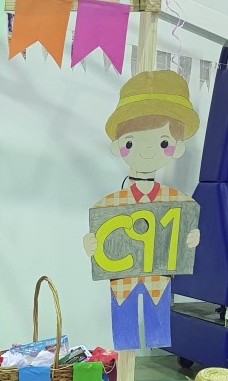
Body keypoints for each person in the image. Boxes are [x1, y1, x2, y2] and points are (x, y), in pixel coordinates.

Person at [83, 70, 200, 350]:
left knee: (158, 333)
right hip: (122, 283)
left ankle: (148, 349)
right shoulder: (107, 206)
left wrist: (191, 239)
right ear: (119, 146)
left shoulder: (180, 203)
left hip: (158, 281)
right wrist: (91, 244)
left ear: (177, 147)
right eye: (132, 142)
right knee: (125, 337)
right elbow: (99, 240)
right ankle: (126, 362)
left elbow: (183, 238)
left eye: (163, 142)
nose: (147, 150)